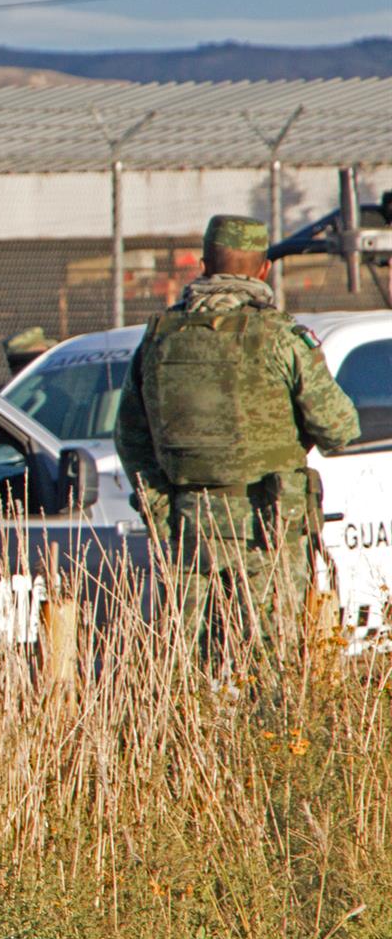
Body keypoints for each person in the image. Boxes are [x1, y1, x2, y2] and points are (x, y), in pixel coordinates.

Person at [115, 214, 359, 659]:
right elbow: (339, 429)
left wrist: (160, 505)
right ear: (264, 269)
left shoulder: (159, 339)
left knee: (185, 673)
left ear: (204, 264)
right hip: (268, 533)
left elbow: (131, 438)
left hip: (189, 530)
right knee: (276, 671)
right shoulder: (281, 339)